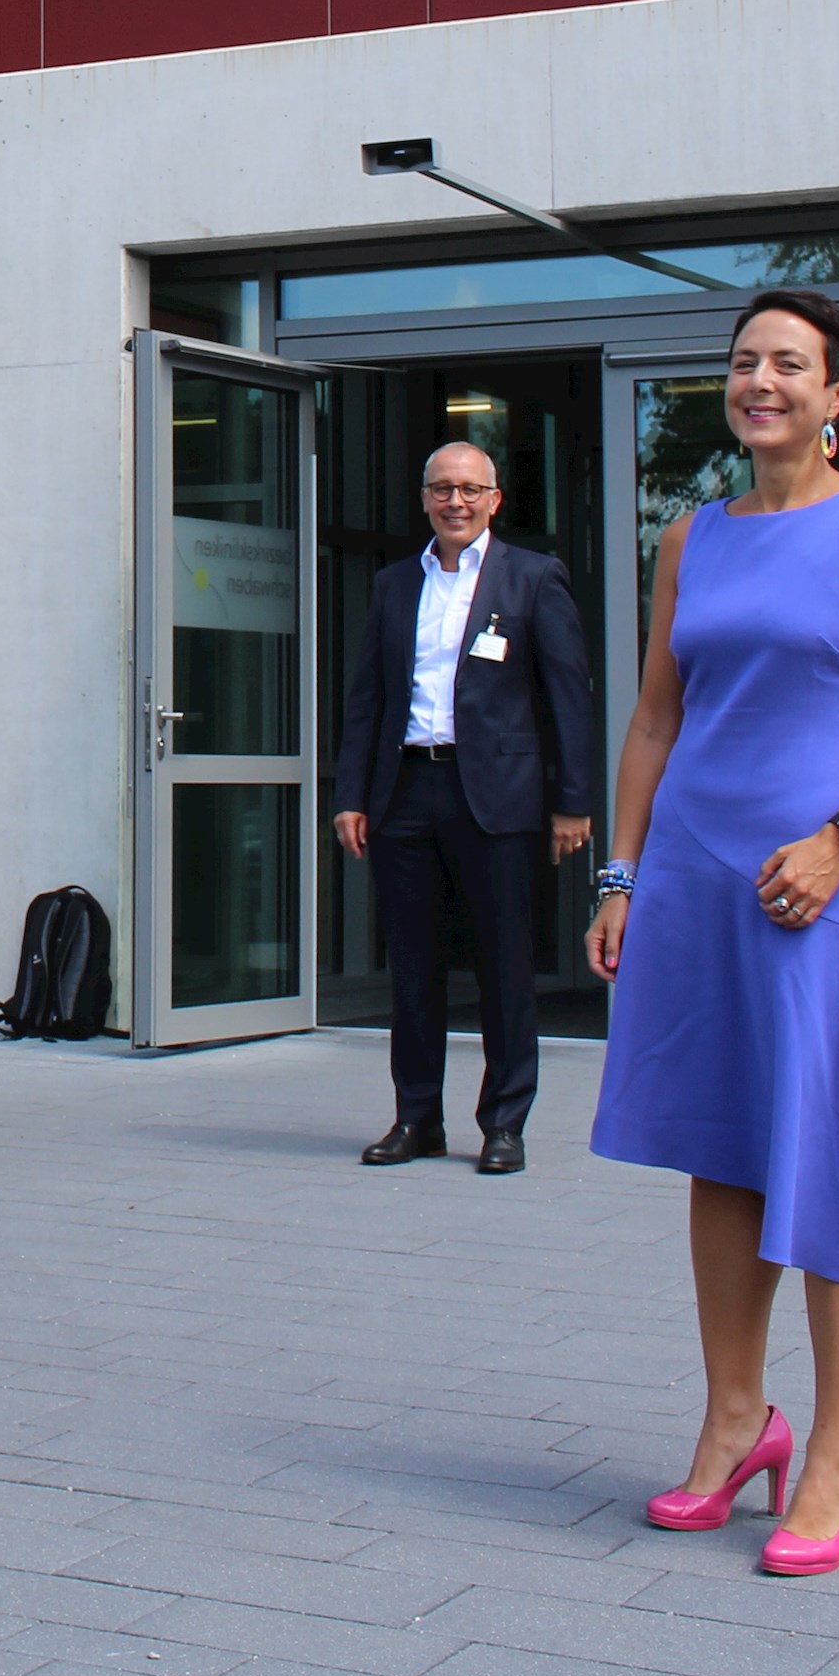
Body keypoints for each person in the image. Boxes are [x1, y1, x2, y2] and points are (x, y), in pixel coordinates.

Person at [588, 290, 839, 1577]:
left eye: (788, 364)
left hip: (817, 880)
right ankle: (735, 1422)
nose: (761, 381)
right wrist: (621, 872)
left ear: (836, 392)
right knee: (723, 1150)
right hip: (693, 879)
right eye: (744, 362)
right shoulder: (690, 535)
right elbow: (653, 718)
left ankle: (836, 1456)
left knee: (829, 1156)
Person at [331, 439, 597, 1176]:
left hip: (498, 798)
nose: (455, 502)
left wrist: (573, 801)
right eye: (442, 489)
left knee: (504, 965)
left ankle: (504, 1123)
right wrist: (351, 794)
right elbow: (367, 701)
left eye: (470, 490)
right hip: (405, 791)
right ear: (424, 498)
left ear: (495, 498)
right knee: (413, 967)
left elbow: (569, 699)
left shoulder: (534, 579)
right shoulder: (392, 586)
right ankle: (417, 1119)